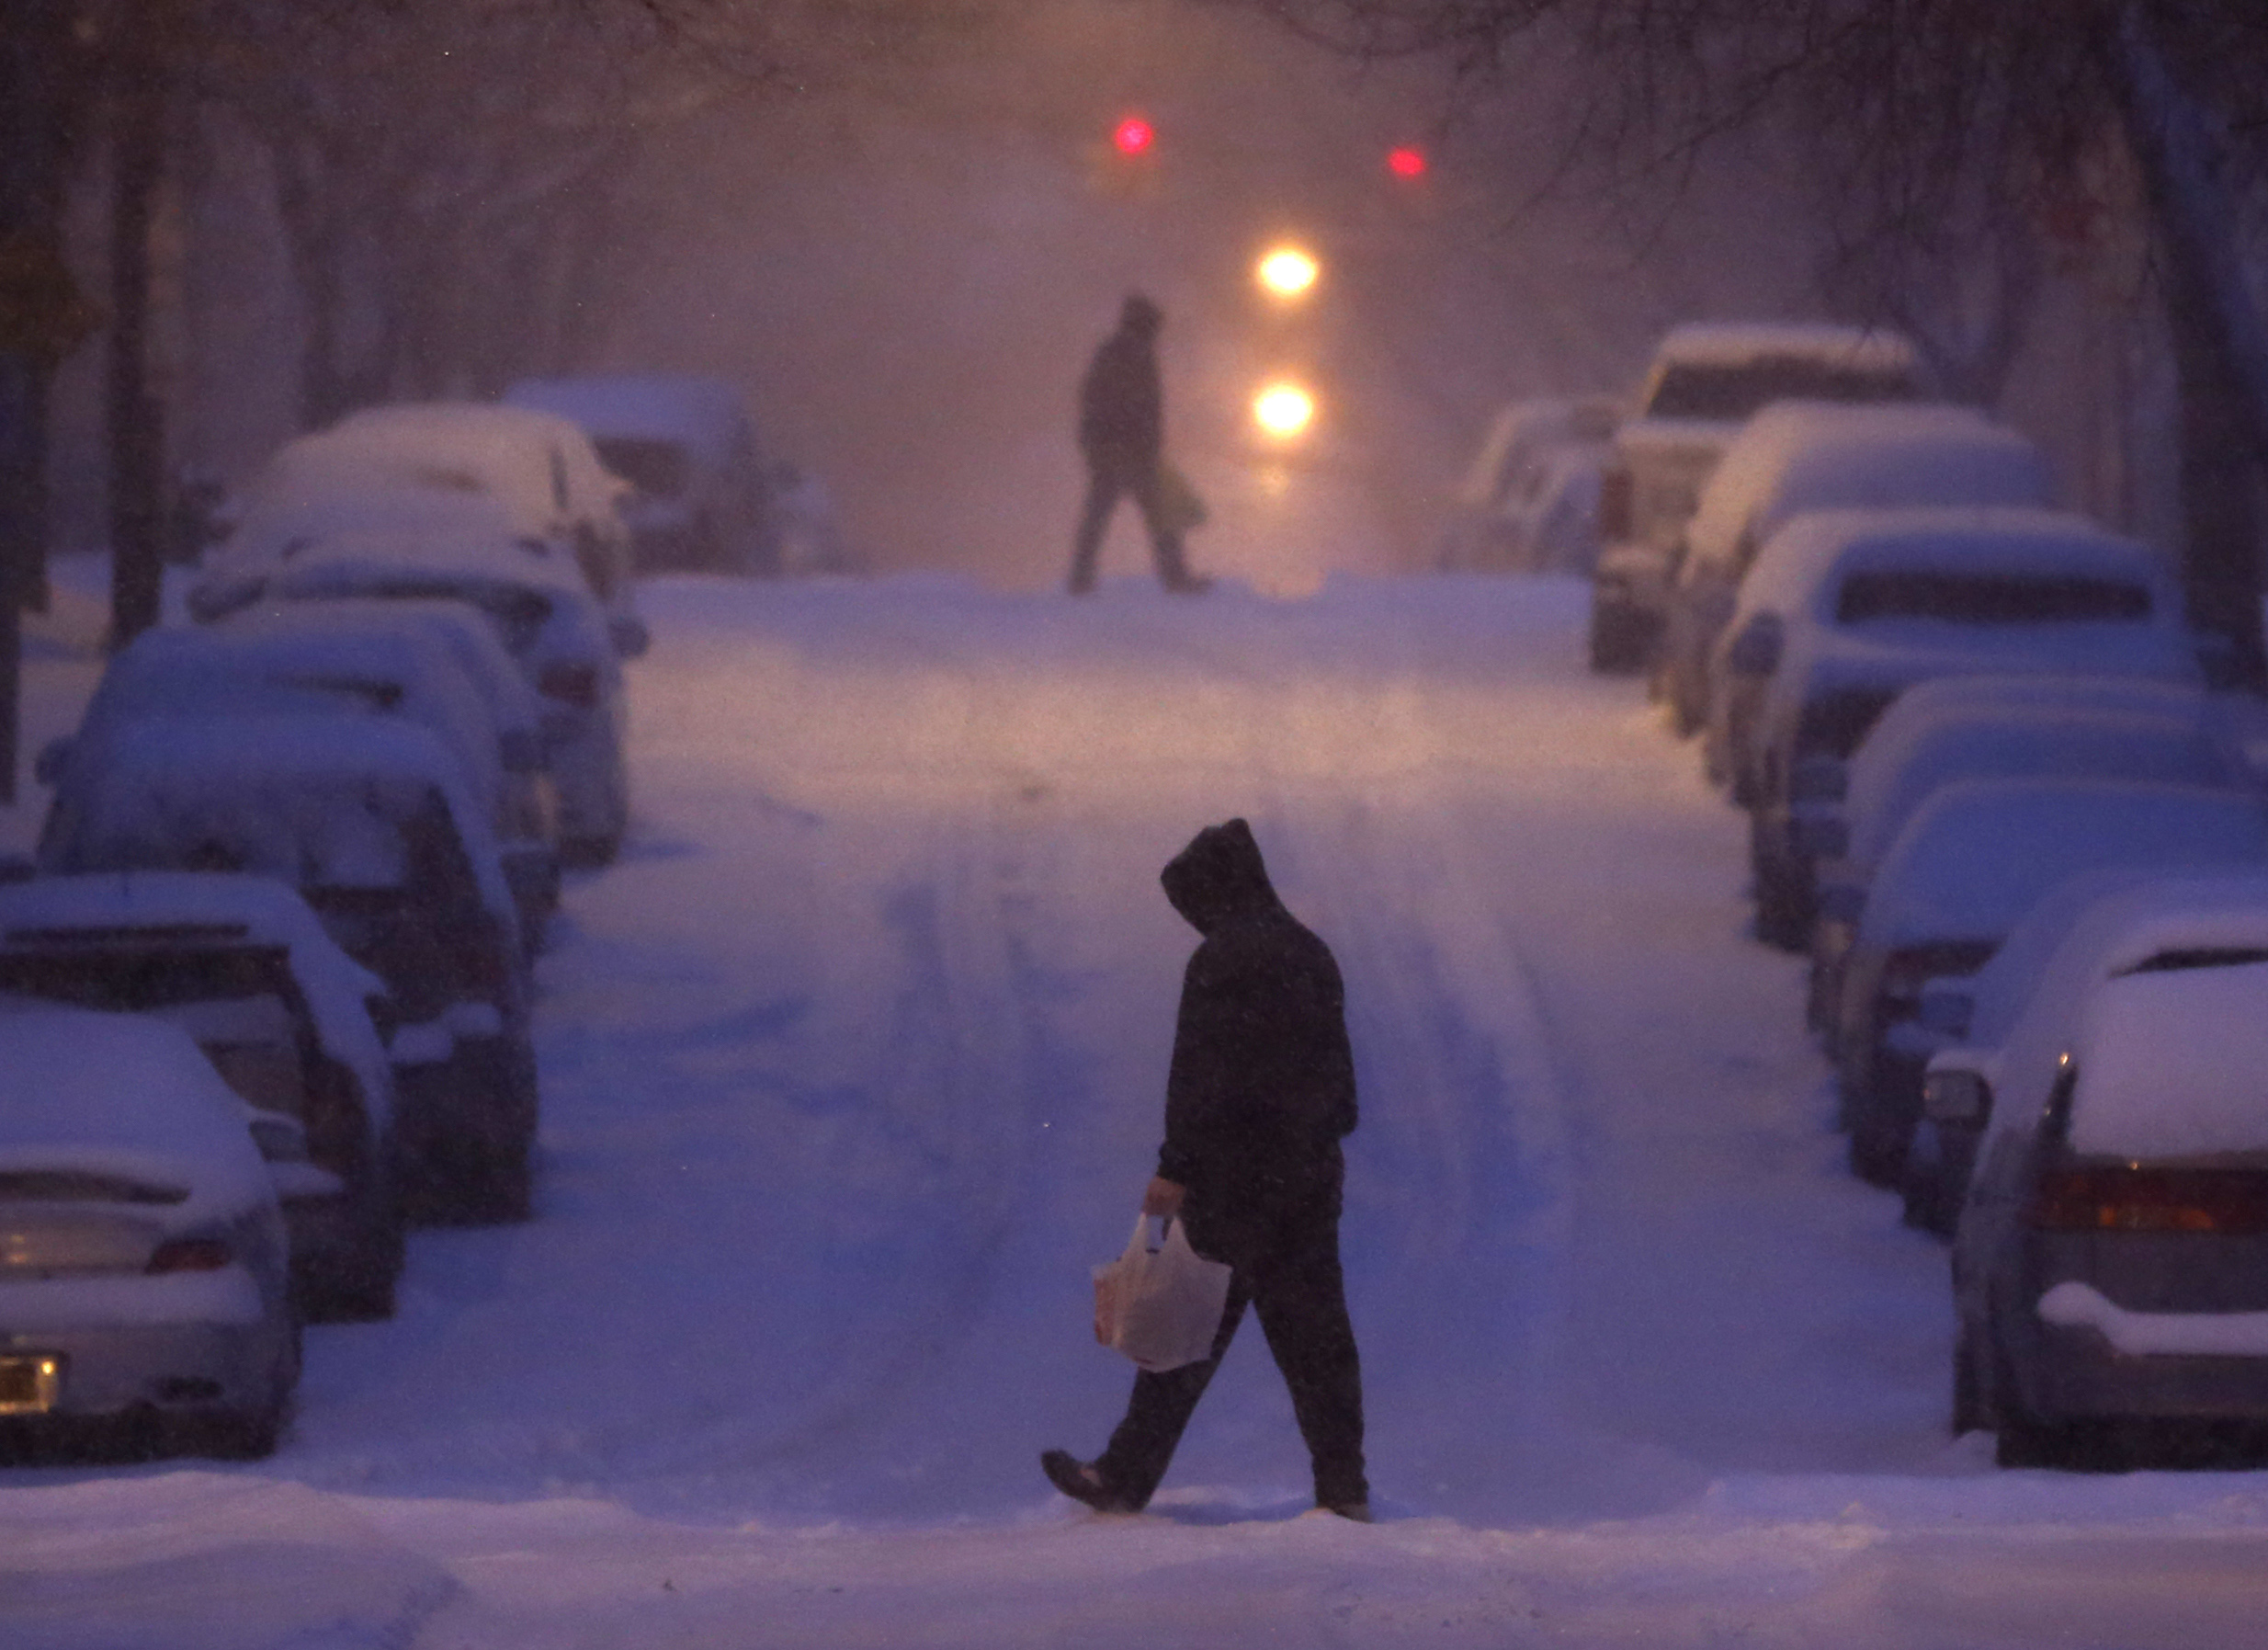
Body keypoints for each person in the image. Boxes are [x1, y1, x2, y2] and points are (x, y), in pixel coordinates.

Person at [1042, 818, 1369, 1520]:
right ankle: (1345, 1489)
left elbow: (1199, 1075)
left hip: (1233, 1183)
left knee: (1183, 1333)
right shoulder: (1313, 953)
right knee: (1317, 1341)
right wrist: (1311, 1145)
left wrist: (1175, 1166)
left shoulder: (1220, 960)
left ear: (1214, 893)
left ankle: (1124, 1476)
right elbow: (1341, 1087)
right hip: (1307, 1180)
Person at [1068, 294, 1207, 595]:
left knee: (1101, 518)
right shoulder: (1130, 355)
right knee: (1158, 519)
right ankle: (1176, 579)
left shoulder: (1117, 352)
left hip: (1118, 451)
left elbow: (1094, 401)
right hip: (1128, 451)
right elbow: (1127, 405)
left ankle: (1080, 579)